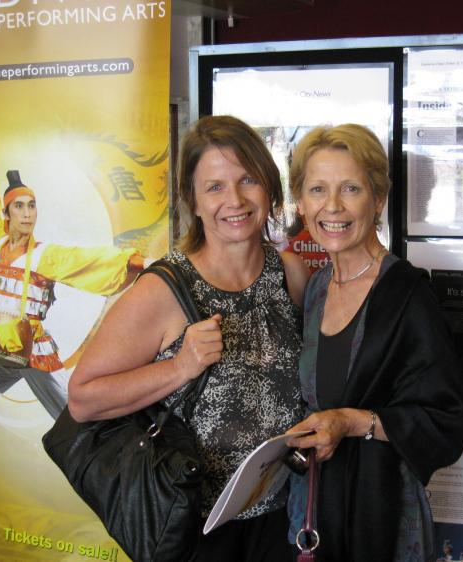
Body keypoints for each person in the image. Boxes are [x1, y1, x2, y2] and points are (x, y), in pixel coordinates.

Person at [68, 115, 309, 561]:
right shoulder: (165, 288)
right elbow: (83, 398)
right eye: (214, 187)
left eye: (248, 180)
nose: (234, 200)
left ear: (269, 189)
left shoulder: (289, 273)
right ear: (193, 201)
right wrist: (180, 367)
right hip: (195, 528)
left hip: (279, 515)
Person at [285, 124, 463, 561]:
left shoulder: (407, 294)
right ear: (300, 203)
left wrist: (352, 422)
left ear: (378, 200)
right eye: (317, 189)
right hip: (314, 508)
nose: (332, 206)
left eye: (350, 188)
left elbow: (448, 419)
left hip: (380, 516)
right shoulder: (316, 289)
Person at [0, 143, 146, 471]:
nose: (28, 213)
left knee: (73, 407)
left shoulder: (45, 255)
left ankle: (109, 467)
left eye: (32, 206)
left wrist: (135, 262)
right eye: (19, 206)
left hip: (31, 347)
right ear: (7, 215)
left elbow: (85, 260)